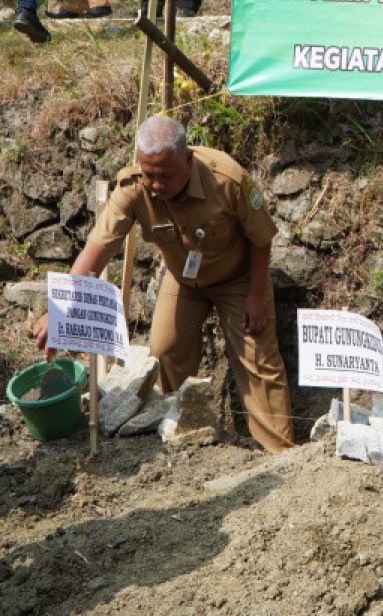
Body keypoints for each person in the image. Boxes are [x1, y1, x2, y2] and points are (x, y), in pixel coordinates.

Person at [34, 115, 294, 454]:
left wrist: (256, 296)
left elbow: (261, 239)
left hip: (237, 278)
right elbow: (96, 251)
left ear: (187, 160)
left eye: (164, 175)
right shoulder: (133, 187)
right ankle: (178, 433)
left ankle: (280, 454)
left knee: (257, 359)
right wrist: (60, 309)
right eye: (148, 174)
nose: (155, 184)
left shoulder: (226, 179)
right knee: (164, 348)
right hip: (184, 279)